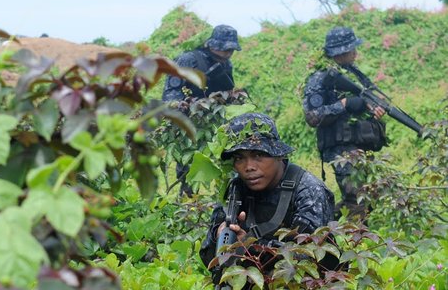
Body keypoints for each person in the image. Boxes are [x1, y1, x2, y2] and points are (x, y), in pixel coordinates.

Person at [199, 113, 335, 288]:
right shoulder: (235, 189)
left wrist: (250, 247)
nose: (249, 167)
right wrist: (220, 237)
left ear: (278, 155)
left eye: (258, 155)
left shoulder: (308, 191)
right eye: (239, 158)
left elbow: (305, 259)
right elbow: (210, 261)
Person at [302, 26, 386, 220]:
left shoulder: (351, 73)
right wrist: (344, 104)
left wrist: (371, 107)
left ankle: (320, 223)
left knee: (364, 197)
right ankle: (352, 241)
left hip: (359, 143)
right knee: (356, 200)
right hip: (339, 148)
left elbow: (365, 97)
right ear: (338, 53)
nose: (355, 53)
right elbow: (312, 116)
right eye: (351, 50)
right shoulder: (319, 78)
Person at [162, 25, 241, 196]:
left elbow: (228, 91)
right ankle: (188, 202)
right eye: (226, 49)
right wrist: (182, 107)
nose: (228, 53)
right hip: (188, 121)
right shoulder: (189, 60)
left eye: (231, 50)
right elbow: (171, 94)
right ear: (213, 45)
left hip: (215, 121)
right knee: (188, 167)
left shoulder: (226, 64)